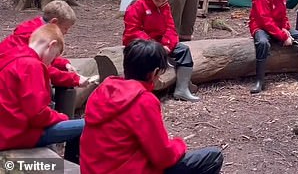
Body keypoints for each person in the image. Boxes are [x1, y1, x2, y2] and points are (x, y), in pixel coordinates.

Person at [80, 39, 224, 174]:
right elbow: (163, 157)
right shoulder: (142, 100)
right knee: (213, 157)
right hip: (125, 169)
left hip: (94, 168)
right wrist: (179, 144)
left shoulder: (103, 89)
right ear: (155, 72)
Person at [0, 24, 84, 164]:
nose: (52, 62)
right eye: (55, 56)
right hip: (16, 134)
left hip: (7, 128)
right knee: (86, 124)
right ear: (51, 45)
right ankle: (74, 167)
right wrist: (61, 117)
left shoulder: (11, 56)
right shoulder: (32, 65)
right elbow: (38, 115)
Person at [123, 0, 199, 102]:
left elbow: (170, 28)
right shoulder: (137, 5)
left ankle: (182, 89)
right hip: (140, 43)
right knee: (147, 58)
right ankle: (141, 92)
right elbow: (132, 31)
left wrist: (167, 44)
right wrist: (156, 46)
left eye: (163, 0)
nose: (160, 3)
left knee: (184, 50)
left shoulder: (165, 6)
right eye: (157, 0)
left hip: (161, 43)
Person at [0, 0, 88, 89]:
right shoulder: (32, 37)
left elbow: (45, 57)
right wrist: (74, 79)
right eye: (65, 28)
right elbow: (43, 69)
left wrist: (64, 65)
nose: (66, 32)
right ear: (54, 22)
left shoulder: (37, 28)